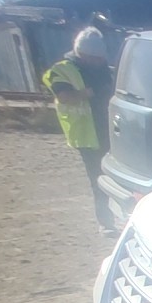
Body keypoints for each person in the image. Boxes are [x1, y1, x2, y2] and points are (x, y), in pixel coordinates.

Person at [43, 27, 117, 235]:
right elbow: (65, 97)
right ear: (81, 53)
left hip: (113, 130)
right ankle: (106, 223)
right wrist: (92, 92)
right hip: (88, 135)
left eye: (101, 58)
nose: (98, 62)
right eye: (94, 58)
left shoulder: (106, 69)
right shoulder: (61, 70)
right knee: (98, 179)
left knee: (119, 178)